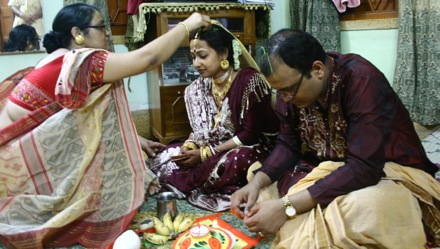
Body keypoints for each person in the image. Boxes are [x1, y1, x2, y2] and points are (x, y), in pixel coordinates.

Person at [0, 3, 210, 248]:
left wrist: (134, 138)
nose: (108, 33)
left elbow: (76, 119)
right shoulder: (83, 61)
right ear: (77, 33)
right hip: (17, 160)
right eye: (101, 27)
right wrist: (188, 24)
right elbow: (147, 58)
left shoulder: (56, 59)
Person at [230, 29, 440, 248]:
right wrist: (255, 184)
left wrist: (286, 207)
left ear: (318, 70)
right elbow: (287, 144)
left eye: (289, 90)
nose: (284, 99)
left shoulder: (362, 81)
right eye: (278, 92)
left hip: (386, 170)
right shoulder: (291, 91)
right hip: (328, 166)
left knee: (365, 207)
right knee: (258, 179)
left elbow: (364, 167)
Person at [148, 21, 279, 212]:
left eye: (203, 56)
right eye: (193, 57)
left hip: (251, 147)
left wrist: (205, 154)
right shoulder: (198, 87)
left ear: (224, 54)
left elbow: (249, 135)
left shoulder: (249, 81)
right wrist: (190, 146)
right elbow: (199, 131)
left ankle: (203, 180)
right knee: (170, 154)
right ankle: (199, 173)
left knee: (235, 160)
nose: (196, 64)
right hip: (214, 146)